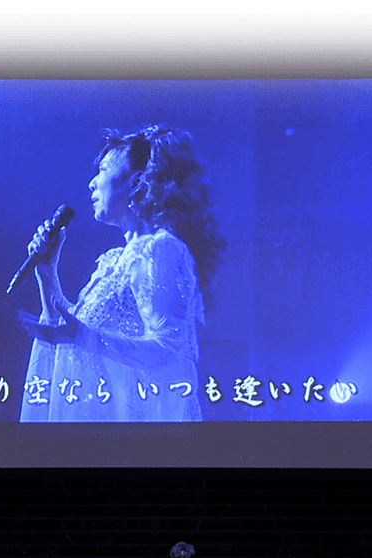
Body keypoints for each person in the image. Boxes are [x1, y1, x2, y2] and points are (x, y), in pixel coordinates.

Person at [19, 125, 225, 423]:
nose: (92, 183)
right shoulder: (114, 261)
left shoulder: (159, 249)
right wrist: (48, 274)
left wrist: (84, 337)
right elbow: (71, 335)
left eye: (103, 169)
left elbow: (168, 348)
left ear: (136, 181)